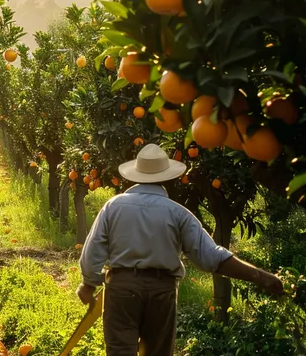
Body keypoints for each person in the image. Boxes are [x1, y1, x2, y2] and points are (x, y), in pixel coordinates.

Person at [76, 143, 284, 356]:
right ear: (167, 177)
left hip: (122, 289)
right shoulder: (178, 213)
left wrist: (89, 283)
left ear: (136, 174)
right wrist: (260, 276)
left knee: (120, 351)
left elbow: (94, 249)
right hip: (161, 291)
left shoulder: (113, 207)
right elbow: (211, 257)